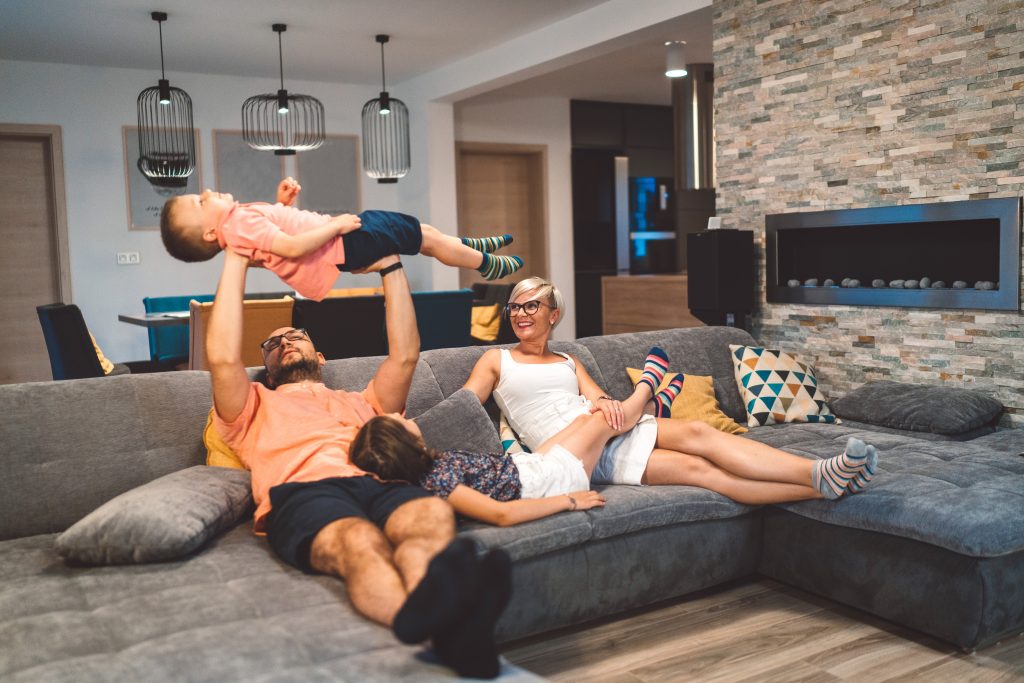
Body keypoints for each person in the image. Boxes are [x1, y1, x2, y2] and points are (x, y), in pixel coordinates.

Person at [205, 246, 509, 679]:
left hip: (380, 483)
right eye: (272, 344)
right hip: (305, 492)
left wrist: (391, 266)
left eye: (295, 336)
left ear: (320, 357)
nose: (284, 342)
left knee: (429, 516)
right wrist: (236, 261)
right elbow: (221, 357)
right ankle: (442, 631)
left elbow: (405, 355)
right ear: (267, 370)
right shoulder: (251, 405)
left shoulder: (363, 401)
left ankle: (440, 625)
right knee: (359, 541)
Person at [461, 277, 879, 505]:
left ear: (553, 315)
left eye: (531, 305)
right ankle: (649, 388)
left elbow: (599, 399)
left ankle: (820, 478)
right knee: (701, 473)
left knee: (698, 432)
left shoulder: (569, 360)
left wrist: (606, 404)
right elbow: (462, 409)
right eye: (514, 306)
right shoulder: (497, 359)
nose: (520, 314)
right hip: (579, 450)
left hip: (606, 422)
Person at [160, 177, 523, 300]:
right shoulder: (237, 225)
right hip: (345, 241)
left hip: (343, 243)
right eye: (200, 202)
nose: (206, 192)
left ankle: (469, 247)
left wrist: (282, 205)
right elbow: (290, 247)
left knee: (422, 232)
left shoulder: (238, 229)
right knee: (422, 237)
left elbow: (276, 238)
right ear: (210, 232)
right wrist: (335, 226)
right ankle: (485, 265)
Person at [351, 414, 607, 527]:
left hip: (524, 466)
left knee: (584, 419)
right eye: (398, 420)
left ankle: (639, 411)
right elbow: (501, 514)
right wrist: (569, 501)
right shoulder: (438, 482)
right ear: (404, 441)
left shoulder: (431, 468)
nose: (399, 414)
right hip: (540, 483)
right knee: (603, 420)